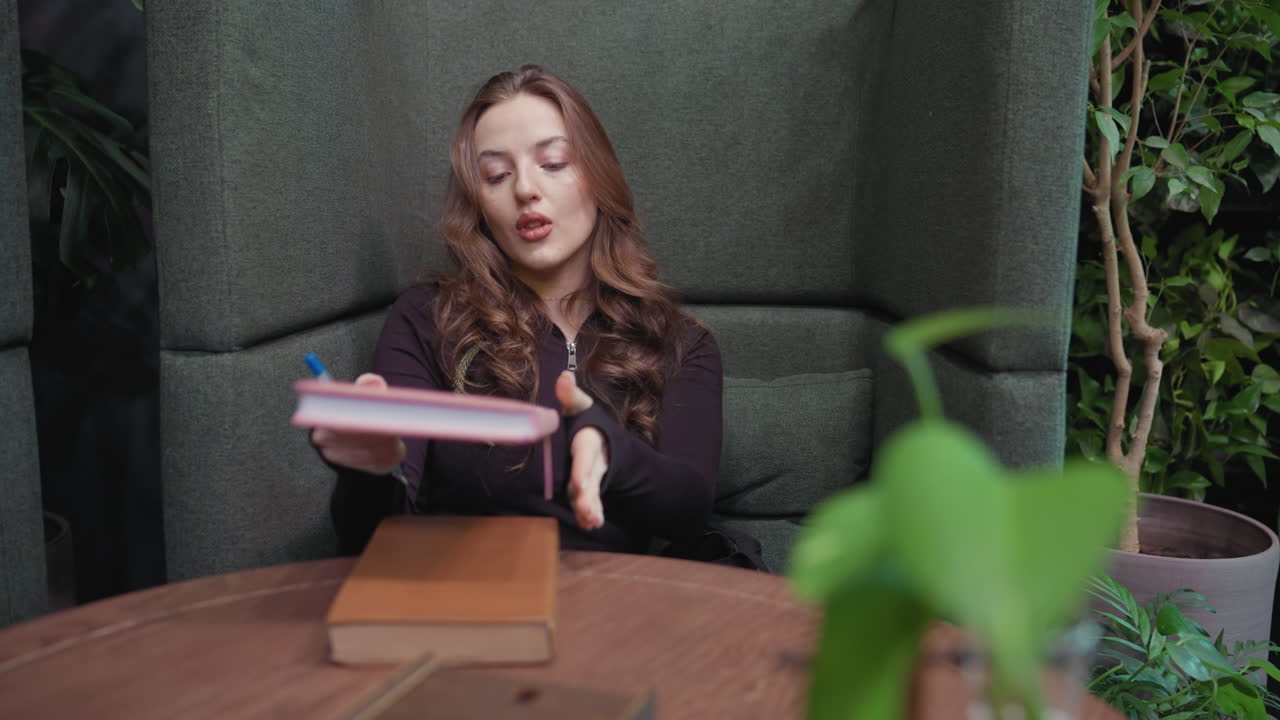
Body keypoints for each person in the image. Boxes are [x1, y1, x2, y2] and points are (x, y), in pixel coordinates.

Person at [311, 65, 726, 558]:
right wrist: (371, 471)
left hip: (616, 607)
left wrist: (611, 452)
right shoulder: (427, 319)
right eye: (496, 175)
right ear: (479, 204)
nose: (525, 189)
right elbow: (373, 534)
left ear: (599, 176)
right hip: (468, 609)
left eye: (553, 164)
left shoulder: (680, 342)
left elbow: (689, 507)